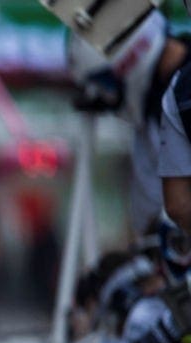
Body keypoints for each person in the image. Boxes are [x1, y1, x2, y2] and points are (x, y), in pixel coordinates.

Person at [68, 9, 189, 237]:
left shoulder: (175, 95)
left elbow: (175, 206)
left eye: (106, 86)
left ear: (128, 57)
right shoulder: (158, 105)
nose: (108, 99)